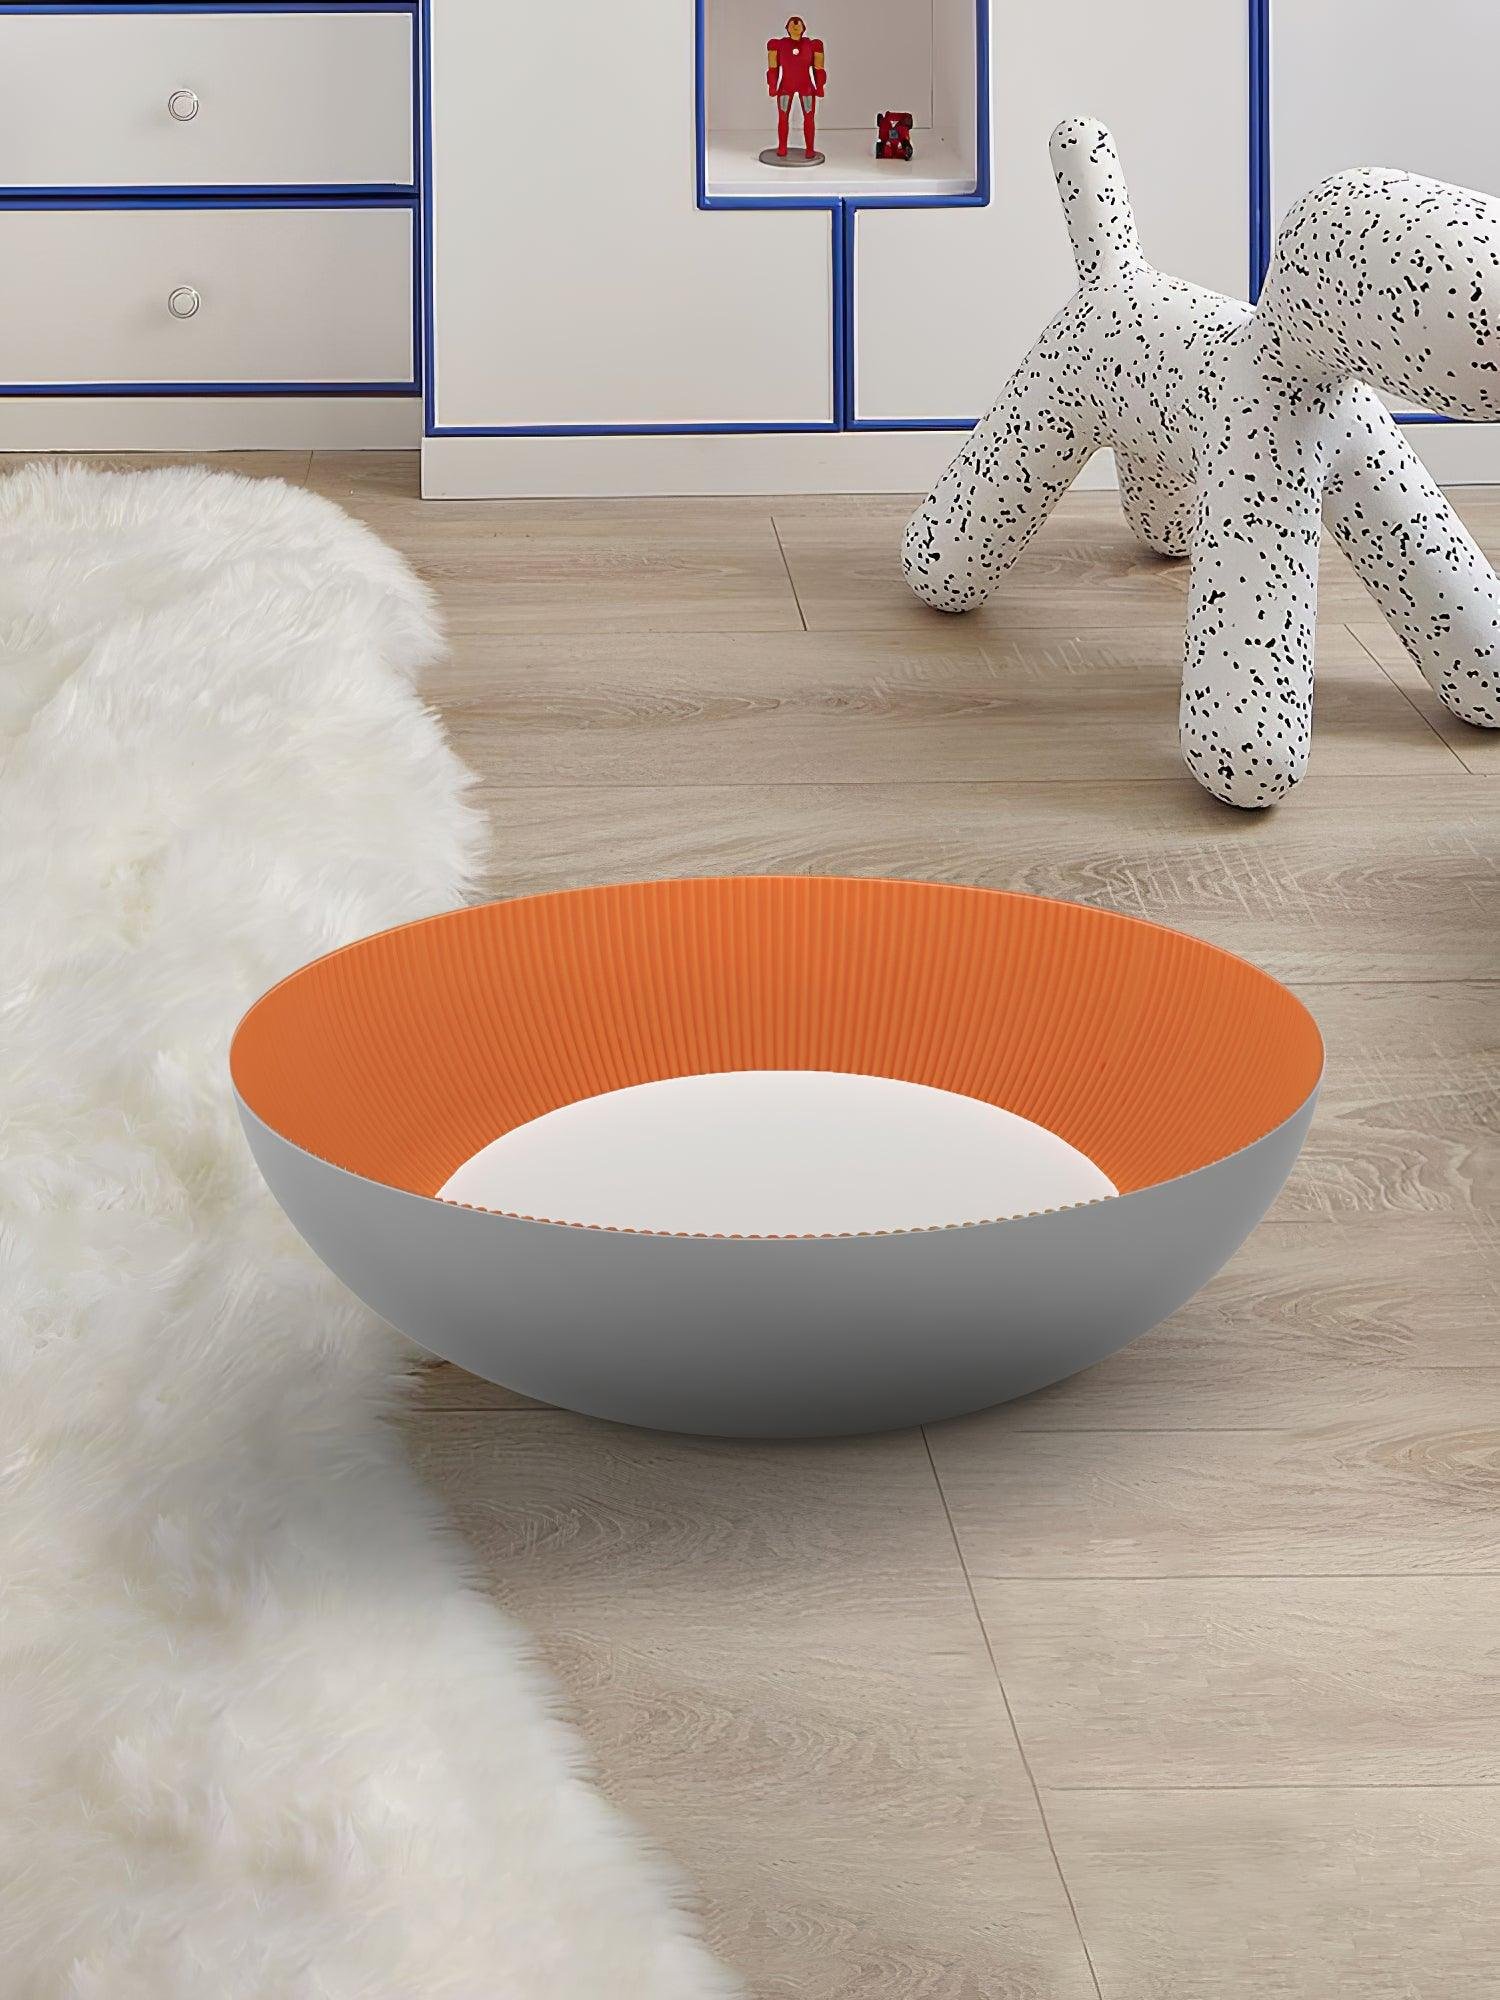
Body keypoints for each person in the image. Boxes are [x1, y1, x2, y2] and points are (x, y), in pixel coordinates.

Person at [766, 17, 826, 160]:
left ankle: (810, 149)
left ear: (804, 28)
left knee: (809, 118)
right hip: (786, 87)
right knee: (783, 117)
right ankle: (782, 147)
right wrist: (773, 85)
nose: (795, 25)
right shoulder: (779, 45)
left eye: (798, 24)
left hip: (806, 87)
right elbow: (773, 68)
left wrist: (819, 86)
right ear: (787, 28)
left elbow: (819, 69)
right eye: (792, 24)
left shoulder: (812, 45)